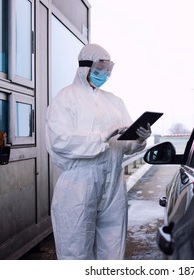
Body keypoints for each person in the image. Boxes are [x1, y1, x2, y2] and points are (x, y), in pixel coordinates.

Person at [45, 44, 151, 259]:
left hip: (113, 185)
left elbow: (127, 145)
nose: (104, 74)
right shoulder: (66, 98)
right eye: (98, 69)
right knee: (76, 249)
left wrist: (139, 137)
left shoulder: (114, 101)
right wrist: (101, 136)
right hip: (78, 185)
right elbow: (59, 140)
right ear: (84, 67)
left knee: (112, 248)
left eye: (107, 70)